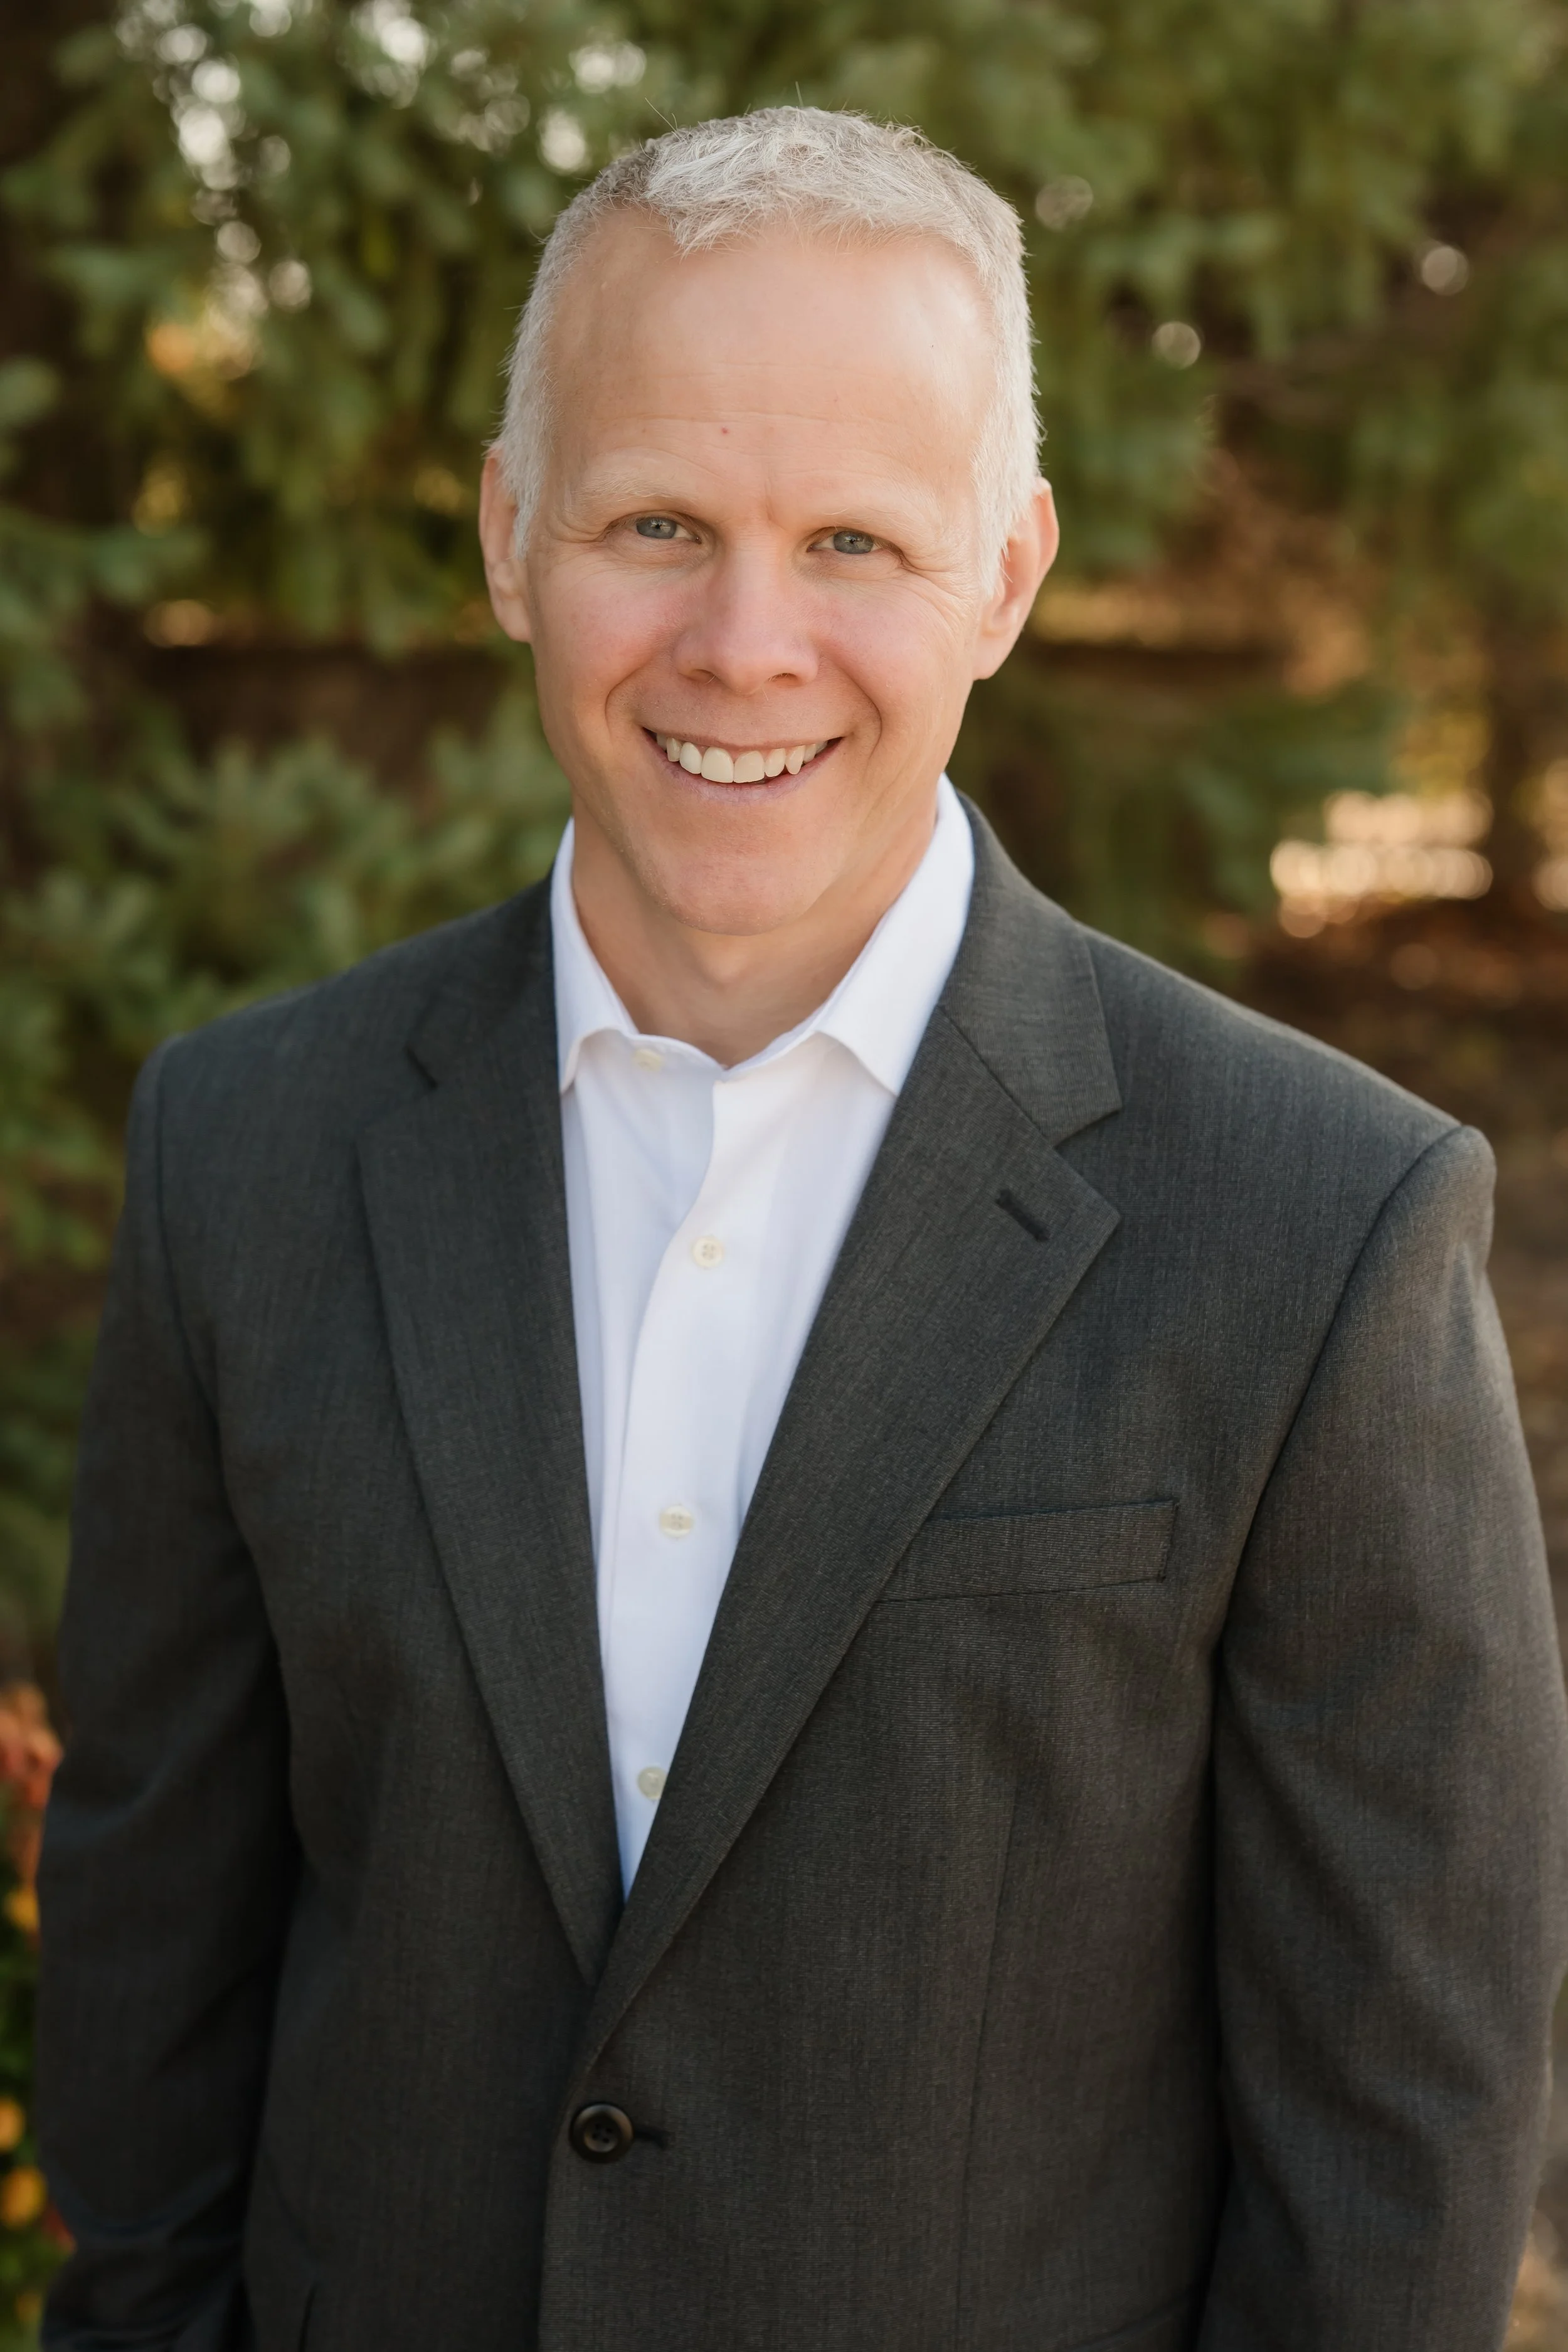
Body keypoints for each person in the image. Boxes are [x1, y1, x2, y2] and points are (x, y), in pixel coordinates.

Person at [38, 106, 1568, 2352]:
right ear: (505, 533)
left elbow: (1391, 2162)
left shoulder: (1320, 1229)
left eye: (853, 537)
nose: (746, 643)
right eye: (658, 520)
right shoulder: (246, 1153)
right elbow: (152, 1996)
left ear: (1008, 580)